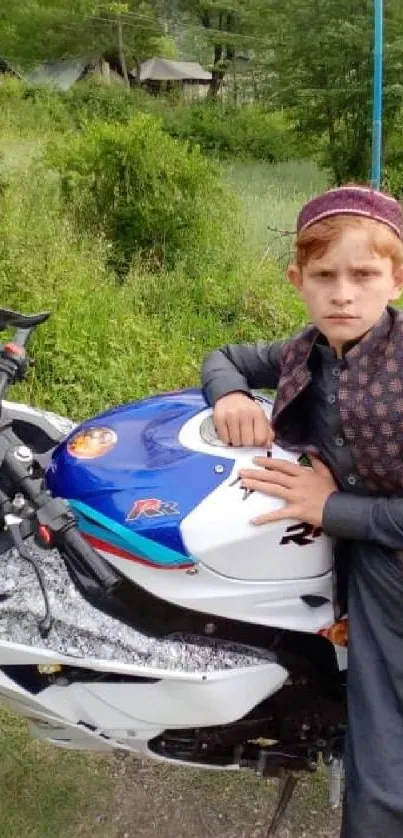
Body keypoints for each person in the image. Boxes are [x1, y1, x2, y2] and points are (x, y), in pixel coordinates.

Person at [201, 184, 403, 838]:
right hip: (359, 562)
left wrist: (333, 506)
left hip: (389, 567)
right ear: (298, 280)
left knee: (386, 756)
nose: (342, 293)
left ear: (395, 278)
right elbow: (227, 357)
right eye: (324, 276)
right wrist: (230, 395)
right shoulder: (306, 352)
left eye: (363, 275)